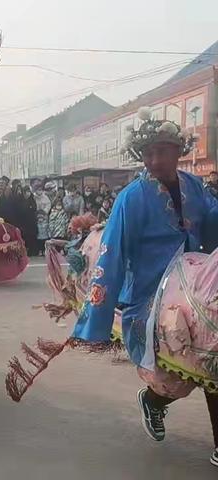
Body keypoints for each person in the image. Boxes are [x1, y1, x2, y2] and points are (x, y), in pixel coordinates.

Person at [72, 108, 218, 467]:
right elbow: (113, 254)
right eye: (148, 153)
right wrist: (97, 317)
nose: (154, 160)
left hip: (195, 283)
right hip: (154, 295)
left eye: (162, 151)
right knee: (196, 361)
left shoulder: (195, 187)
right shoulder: (131, 198)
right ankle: (154, 401)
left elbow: (212, 228)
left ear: (177, 151)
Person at [34, 184, 51, 255]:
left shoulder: (46, 197)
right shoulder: (34, 197)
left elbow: (48, 205)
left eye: (40, 189)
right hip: (36, 217)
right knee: (38, 233)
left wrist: (44, 212)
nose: (39, 191)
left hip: (44, 217)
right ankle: (39, 249)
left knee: (45, 233)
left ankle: (45, 249)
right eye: (38, 190)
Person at [21, 186, 38, 255]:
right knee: (26, 236)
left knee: (32, 236)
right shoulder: (21, 199)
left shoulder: (32, 199)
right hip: (24, 221)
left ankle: (33, 250)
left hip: (32, 221)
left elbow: (34, 207)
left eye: (28, 191)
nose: (27, 193)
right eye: (26, 191)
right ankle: (27, 250)